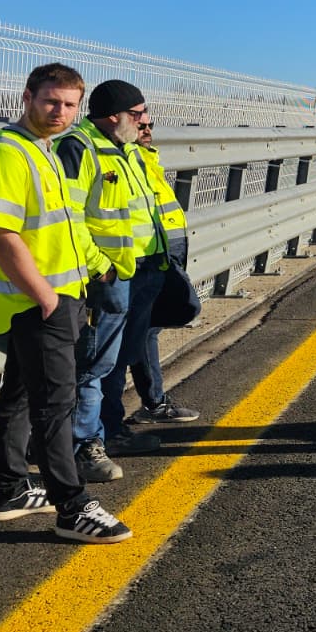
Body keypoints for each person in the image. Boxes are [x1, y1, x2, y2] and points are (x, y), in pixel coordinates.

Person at [0, 62, 133, 543]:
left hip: (53, 295)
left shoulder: (41, 150)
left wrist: (89, 269)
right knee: (55, 405)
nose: (60, 111)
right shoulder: (7, 154)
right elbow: (0, 233)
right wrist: (44, 295)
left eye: (69, 104)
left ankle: (9, 489)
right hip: (37, 300)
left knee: (21, 395)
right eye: (50, 101)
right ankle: (72, 506)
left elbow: (60, 226)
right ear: (27, 97)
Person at [57, 80, 164, 483]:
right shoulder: (80, 149)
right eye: (137, 114)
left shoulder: (126, 149)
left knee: (111, 359)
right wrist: (100, 266)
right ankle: (85, 445)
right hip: (104, 274)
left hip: (134, 268)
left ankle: (106, 431)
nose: (145, 121)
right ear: (112, 116)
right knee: (92, 363)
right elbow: (69, 216)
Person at [124, 117, 201, 426]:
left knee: (149, 327)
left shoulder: (146, 158)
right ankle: (152, 402)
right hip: (148, 254)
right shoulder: (122, 160)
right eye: (139, 124)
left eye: (149, 124)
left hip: (166, 247)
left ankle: (153, 401)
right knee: (142, 327)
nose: (147, 130)